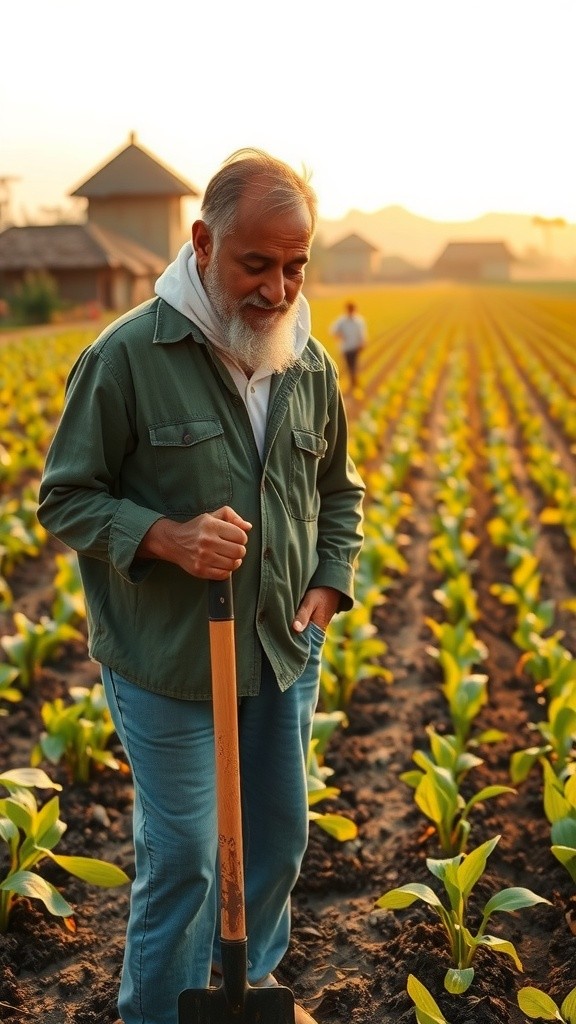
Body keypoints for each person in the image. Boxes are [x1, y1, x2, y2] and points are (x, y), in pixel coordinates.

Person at [37, 148, 365, 1024]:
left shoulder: (307, 363)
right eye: (258, 263)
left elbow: (341, 490)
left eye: (296, 266)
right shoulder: (127, 356)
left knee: (278, 841)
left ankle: (243, 992)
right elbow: (64, 498)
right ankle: (158, 1012)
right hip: (167, 656)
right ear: (204, 243)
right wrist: (165, 537)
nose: (279, 288)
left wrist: (330, 581)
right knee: (183, 851)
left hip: (281, 647)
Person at [329, 300, 367, 390]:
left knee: (354, 365)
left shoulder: (359, 321)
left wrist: (363, 342)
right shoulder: (342, 321)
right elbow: (332, 330)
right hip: (346, 348)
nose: (351, 311)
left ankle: (354, 381)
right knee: (350, 365)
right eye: (350, 309)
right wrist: (339, 335)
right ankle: (354, 382)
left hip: (355, 347)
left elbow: (362, 333)